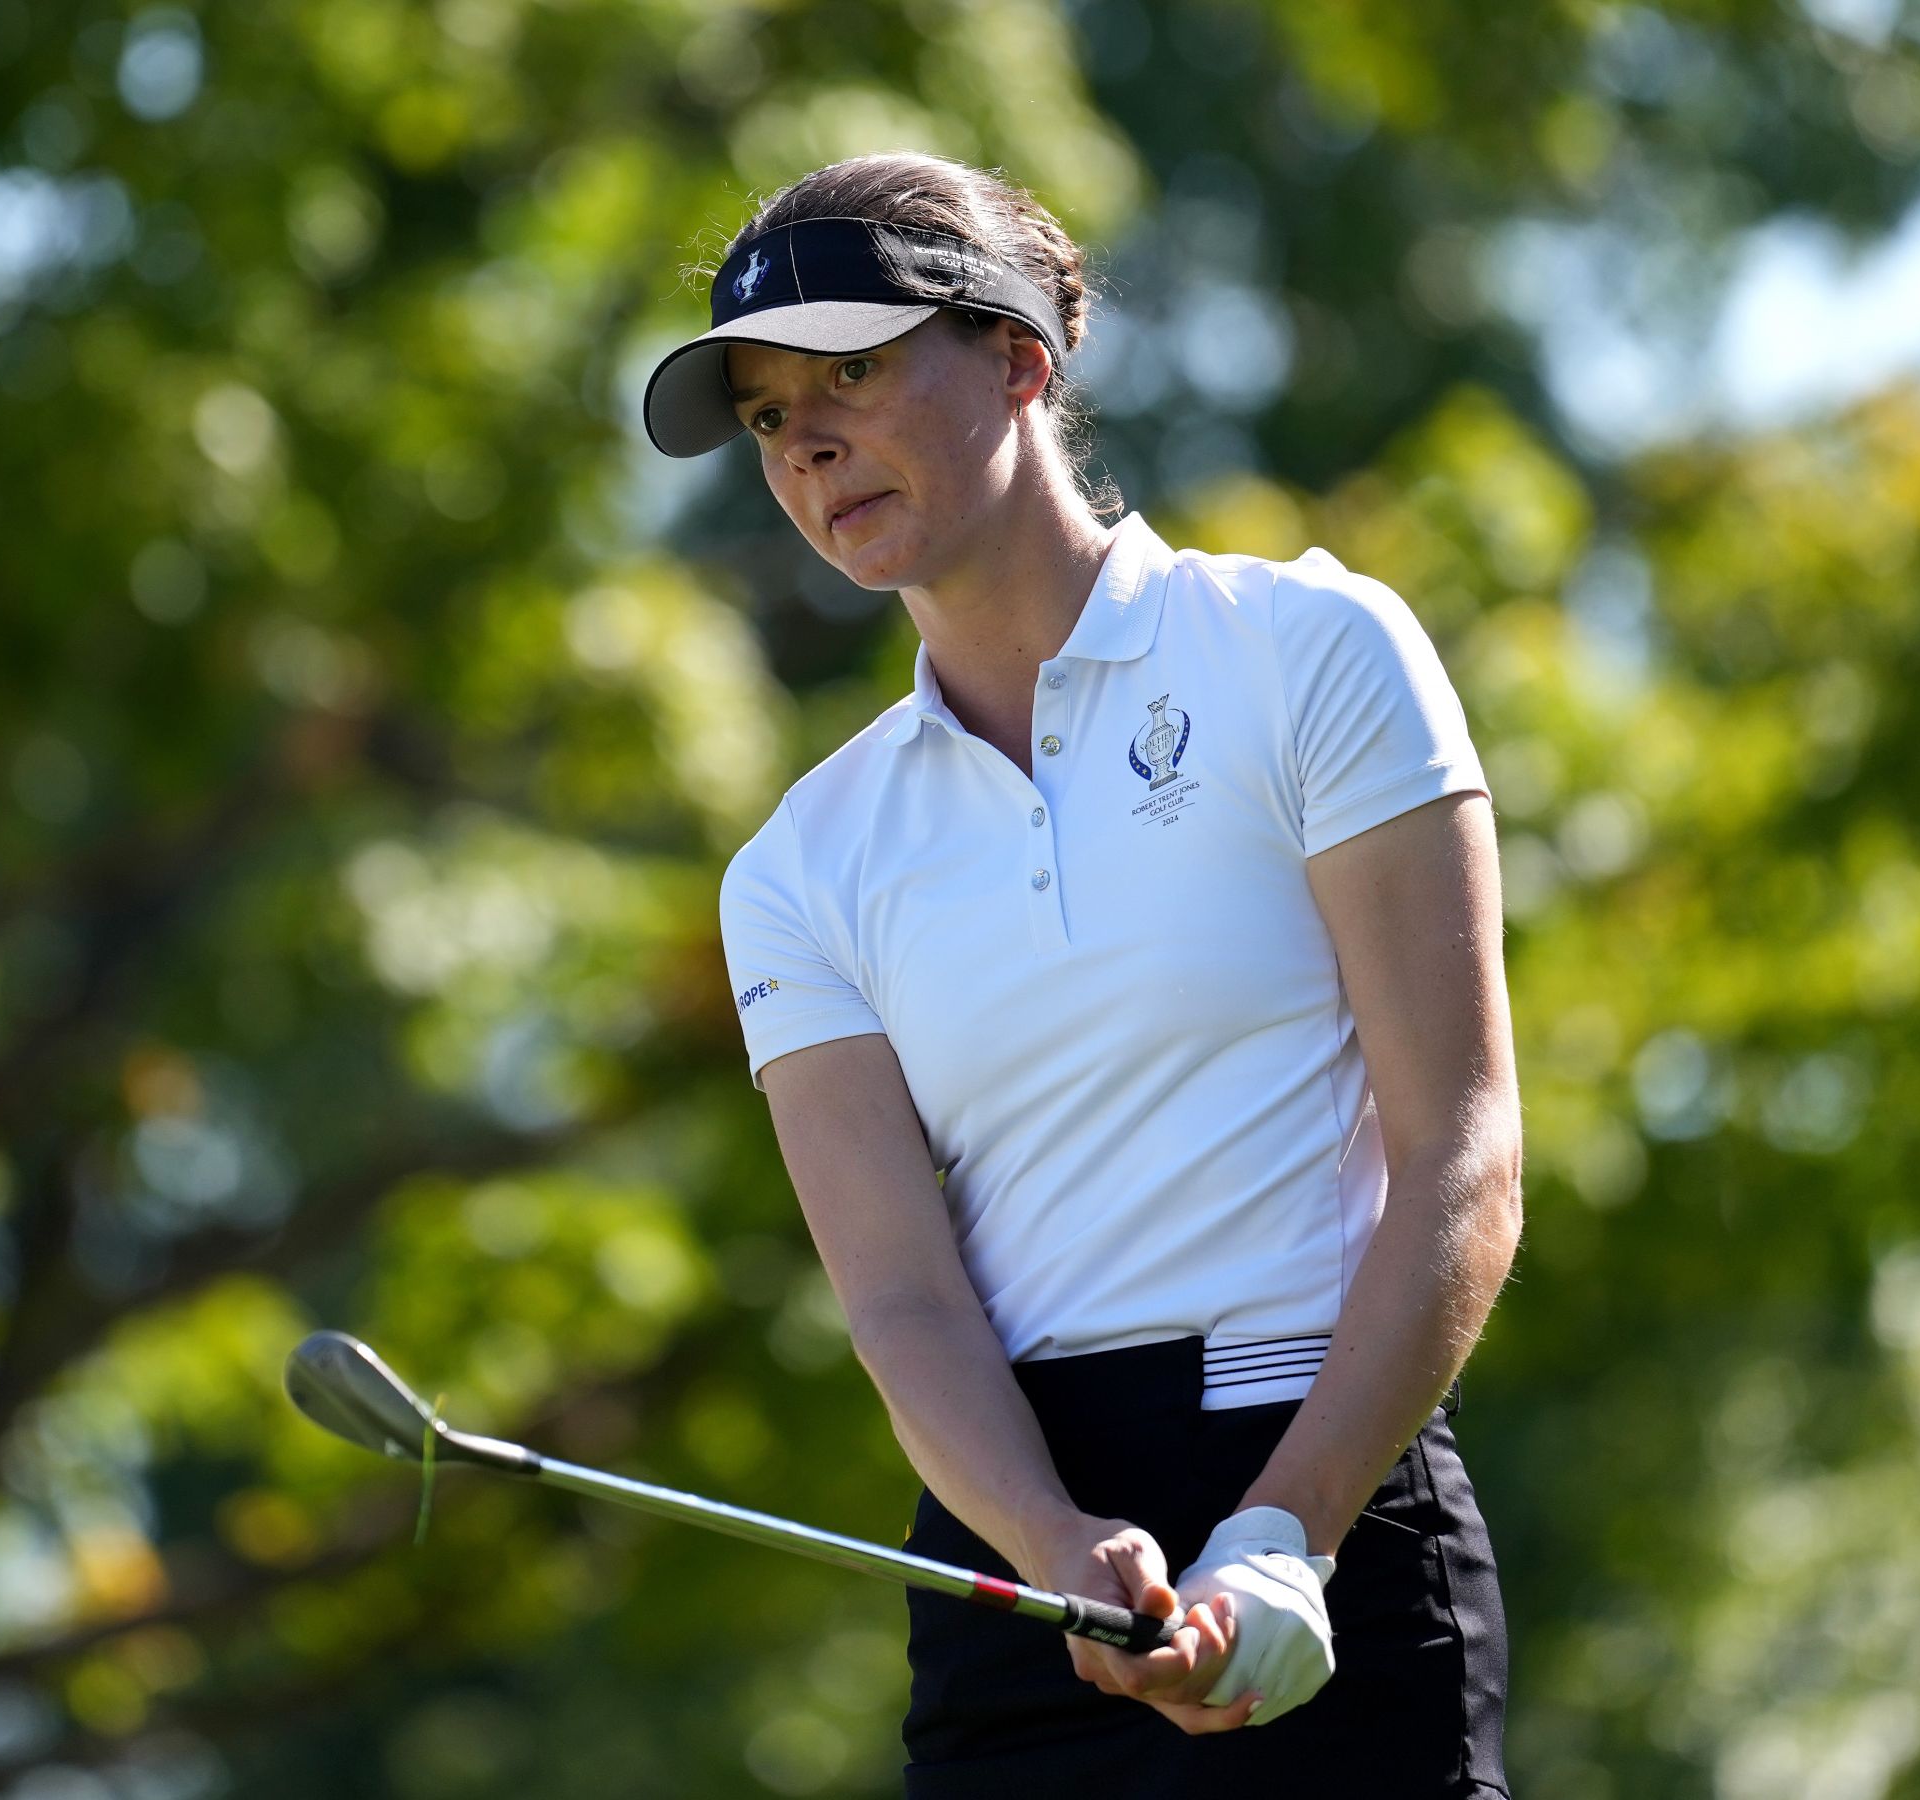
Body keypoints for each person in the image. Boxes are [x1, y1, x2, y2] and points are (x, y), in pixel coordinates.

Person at [642, 152, 1520, 1796]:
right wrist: (1045, 1535)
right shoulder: (799, 867)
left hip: (1327, 1496)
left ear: (1021, 358)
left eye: (849, 372)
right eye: (768, 418)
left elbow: (1461, 1160)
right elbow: (902, 1299)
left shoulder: (1311, 653)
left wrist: (1287, 1530)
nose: (808, 443)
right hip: (1016, 1569)